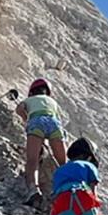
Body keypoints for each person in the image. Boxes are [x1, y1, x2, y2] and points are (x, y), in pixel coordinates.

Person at [14, 78, 68, 207]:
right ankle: (66, 189)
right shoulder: (53, 102)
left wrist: (26, 119)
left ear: (32, 92)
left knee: (33, 160)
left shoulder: (28, 100)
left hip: (36, 121)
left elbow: (19, 109)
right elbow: (58, 118)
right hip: (54, 123)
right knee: (62, 162)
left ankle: (33, 190)